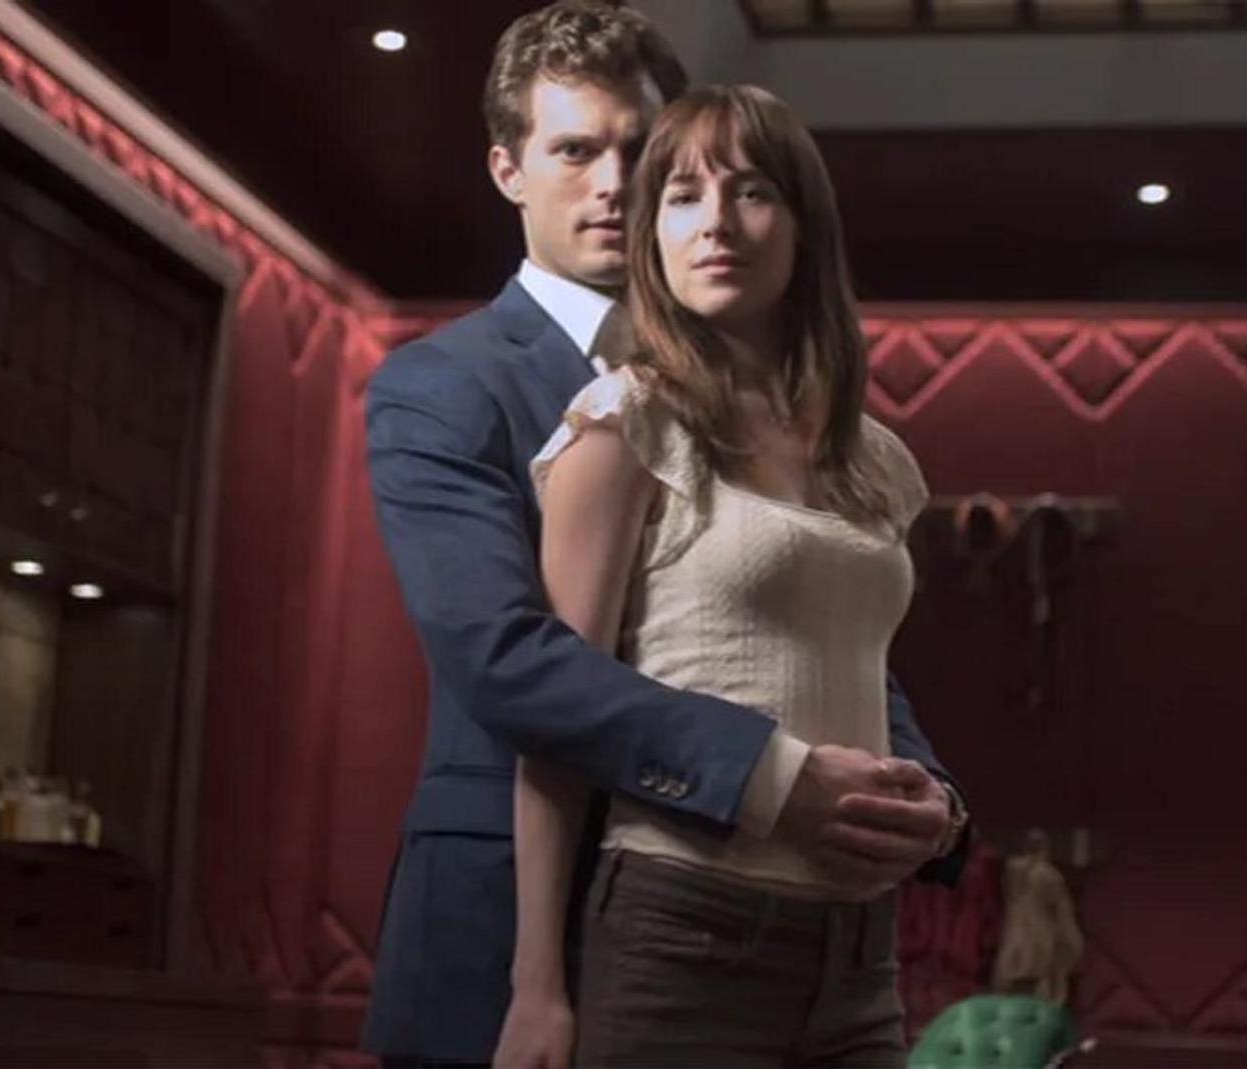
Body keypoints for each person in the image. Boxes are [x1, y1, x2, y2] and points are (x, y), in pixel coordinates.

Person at [361, 5, 968, 1064]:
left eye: (641, 151)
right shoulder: (445, 384)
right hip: (509, 926)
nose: (614, 183)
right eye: (574, 151)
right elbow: (507, 658)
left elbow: (804, 625)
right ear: (508, 170)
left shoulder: (778, 402)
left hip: (785, 930)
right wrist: (772, 777)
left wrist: (915, 790)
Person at [499, 83, 945, 1069]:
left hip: (860, 955)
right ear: (651, 232)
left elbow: (856, 672)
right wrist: (536, 986)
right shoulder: (621, 423)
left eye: (750, 192)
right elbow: (560, 719)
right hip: (682, 935)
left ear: (803, 225)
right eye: (682, 196)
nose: (715, 223)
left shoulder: (879, 462)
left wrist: (930, 801)